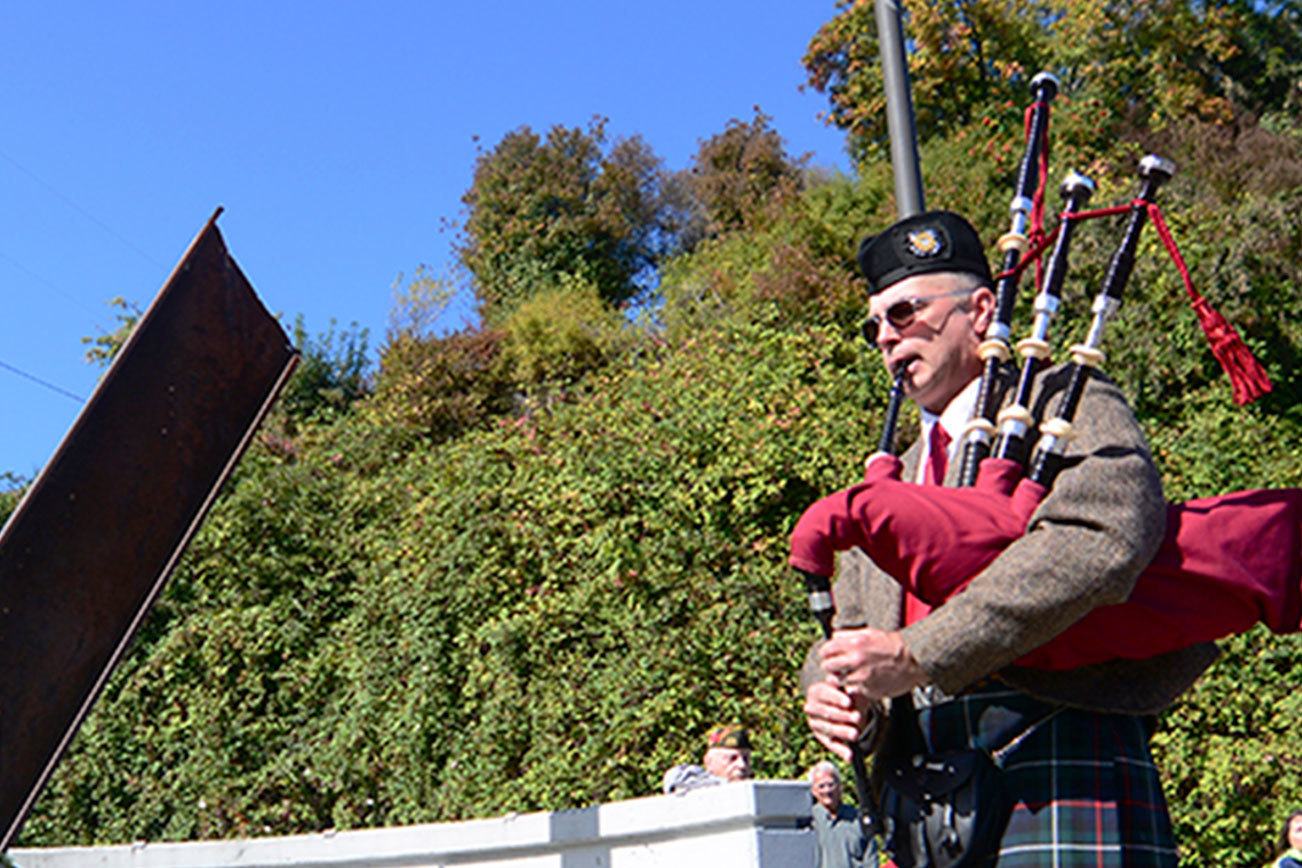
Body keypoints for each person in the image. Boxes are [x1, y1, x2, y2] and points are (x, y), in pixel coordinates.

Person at [800, 210, 1218, 865]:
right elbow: (848, 627)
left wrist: (920, 651)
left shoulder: (1064, 402)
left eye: (904, 312)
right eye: (873, 324)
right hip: (926, 790)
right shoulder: (894, 475)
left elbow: (1100, 539)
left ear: (981, 310)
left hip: (1053, 747)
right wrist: (836, 694)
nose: (885, 336)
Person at [809, 760, 878, 867]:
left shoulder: (858, 820)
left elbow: (871, 860)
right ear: (813, 791)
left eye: (831, 784)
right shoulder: (809, 821)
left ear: (840, 786)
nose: (827, 790)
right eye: (821, 786)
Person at [662, 724, 754, 794]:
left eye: (746, 758)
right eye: (732, 758)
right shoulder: (693, 786)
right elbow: (675, 780)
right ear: (709, 762)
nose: (742, 765)